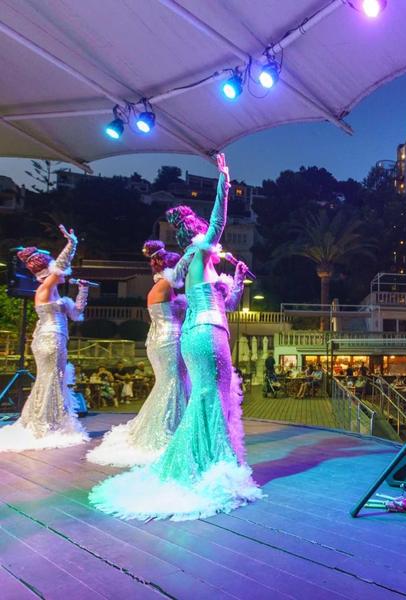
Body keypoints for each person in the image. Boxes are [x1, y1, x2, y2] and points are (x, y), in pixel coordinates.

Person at [90, 153, 261, 520]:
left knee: (206, 397)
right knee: (210, 398)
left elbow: (228, 304)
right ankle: (213, 465)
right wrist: (225, 181)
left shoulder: (203, 265)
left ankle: (200, 461)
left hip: (202, 332)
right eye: (208, 233)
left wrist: (240, 280)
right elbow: (219, 220)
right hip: (205, 335)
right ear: (199, 234)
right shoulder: (200, 253)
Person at [86, 241, 189, 467]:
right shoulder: (164, 286)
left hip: (159, 340)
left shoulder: (159, 288)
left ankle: (166, 425)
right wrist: (196, 248)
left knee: (168, 385)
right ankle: (170, 429)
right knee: (174, 384)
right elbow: (182, 269)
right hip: (168, 339)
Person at [0, 226, 90, 452]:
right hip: (49, 341)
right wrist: (72, 244)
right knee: (50, 380)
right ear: (46, 272)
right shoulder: (44, 290)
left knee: (53, 380)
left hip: (55, 339)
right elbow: (59, 269)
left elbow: (77, 313)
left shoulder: (54, 293)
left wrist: (83, 291)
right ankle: (44, 425)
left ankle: (48, 421)